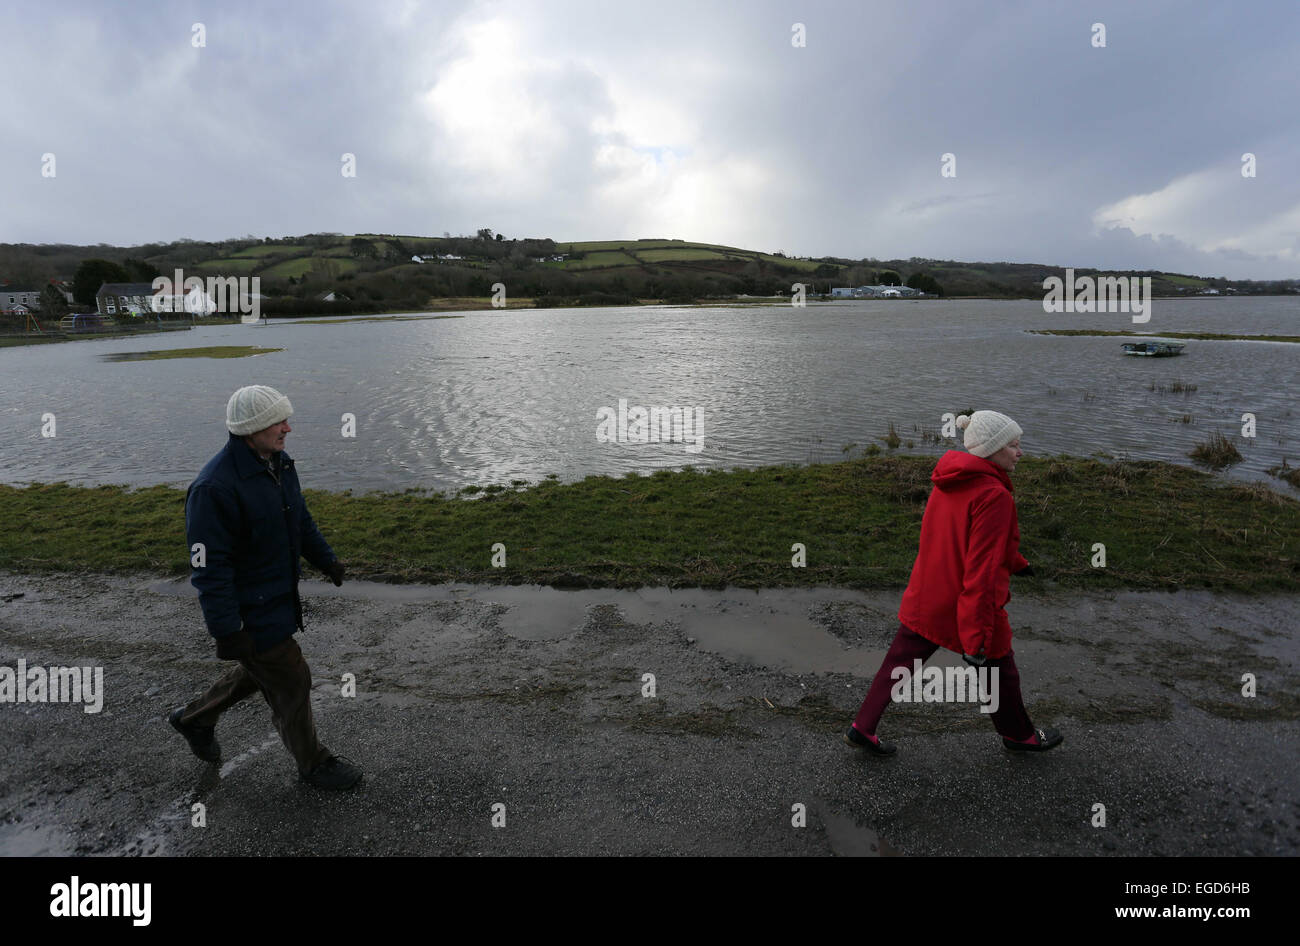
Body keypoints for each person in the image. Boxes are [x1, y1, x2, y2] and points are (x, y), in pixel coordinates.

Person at [168, 384, 362, 789]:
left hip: (277, 598)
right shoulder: (213, 489)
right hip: (248, 609)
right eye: (279, 422)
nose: (288, 428)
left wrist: (326, 559)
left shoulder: (278, 463)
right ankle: (314, 764)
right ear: (251, 428)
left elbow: (300, 520)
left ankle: (195, 719)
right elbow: (209, 568)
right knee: (292, 678)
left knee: (263, 669)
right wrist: (227, 629)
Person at [845, 410, 1062, 755]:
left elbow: (958, 538)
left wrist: (1017, 563)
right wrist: (976, 638)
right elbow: (982, 569)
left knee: (897, 665)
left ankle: (862, 726)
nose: (1021, 452)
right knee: (1000, 672)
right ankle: (1020, 736)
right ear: (992, 449)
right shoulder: (994, 495)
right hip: (965, 604)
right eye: (1014, 446)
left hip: (927, 592)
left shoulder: (949, 479)